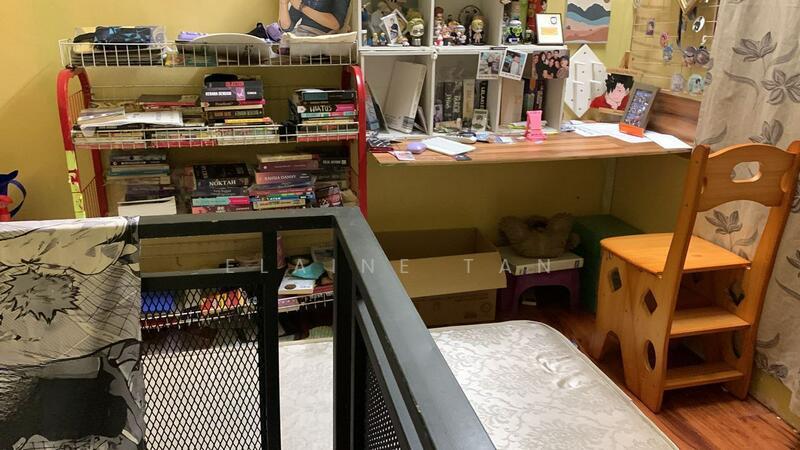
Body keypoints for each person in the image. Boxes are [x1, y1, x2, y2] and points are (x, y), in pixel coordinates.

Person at [279, 0, 351, 36]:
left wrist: (302, 7)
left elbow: (335, 24)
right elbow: (287, 27)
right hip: (301, 38)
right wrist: (283, 3)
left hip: (322, 41)